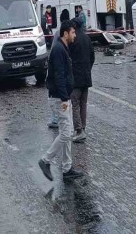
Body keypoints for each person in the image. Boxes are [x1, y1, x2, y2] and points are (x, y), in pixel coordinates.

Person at [38, 22, 85, 183]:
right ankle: (45, 161)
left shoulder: (62, 47)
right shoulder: (59, 50)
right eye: (73, 32)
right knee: (66, 133)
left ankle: (67, 168)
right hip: (60, 98)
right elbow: (59, 75)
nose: (75, 35)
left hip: (63, 96)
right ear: (65, 33)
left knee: (67, 131)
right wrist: (65, 98)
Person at [69, 16, 95, 143]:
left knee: (75, 104)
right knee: (83, 104)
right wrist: (88, 69)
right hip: (86, 76)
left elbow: (68, 58)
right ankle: (83, 128)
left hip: (76, 78)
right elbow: (92, 57)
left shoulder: (73, 39)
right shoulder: (87, 38)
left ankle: (78, 131)